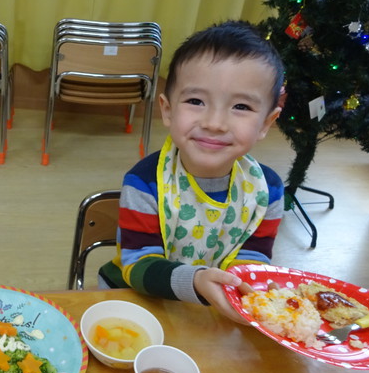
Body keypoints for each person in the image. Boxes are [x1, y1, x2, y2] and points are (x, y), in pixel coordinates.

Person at [98, 21, 286, 323]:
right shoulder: (145, 182)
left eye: (240, 106)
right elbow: (138, 264)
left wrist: (249, 287)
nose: (214, 122)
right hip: (137, 301)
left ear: (266, 122)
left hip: (210, 311)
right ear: (168, 110)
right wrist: (196, 282)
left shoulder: (268, 190)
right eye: (196, 101)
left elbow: (253, 258)